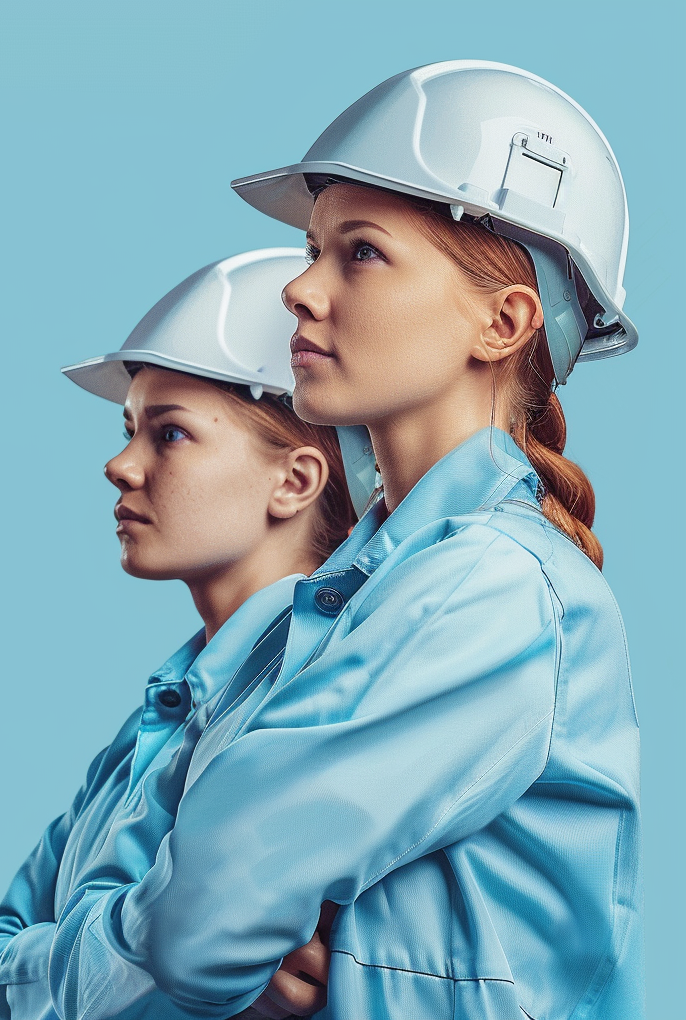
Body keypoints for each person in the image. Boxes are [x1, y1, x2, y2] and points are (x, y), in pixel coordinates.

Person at [47, 61, 642, 1020]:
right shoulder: (309, 618)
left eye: (357, 253)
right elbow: (168, 912)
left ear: (503, 321)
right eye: (310, 250)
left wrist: (145, 950)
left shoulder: (497, 589)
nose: (298, 290)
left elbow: (206, 905)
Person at [0, 248, 357, 1020]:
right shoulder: (152, 723)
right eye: (130, 429)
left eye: (167, 435)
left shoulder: (336, 700)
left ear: (295, 480)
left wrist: (71, 963)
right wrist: (169, 967)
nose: (119, 465)